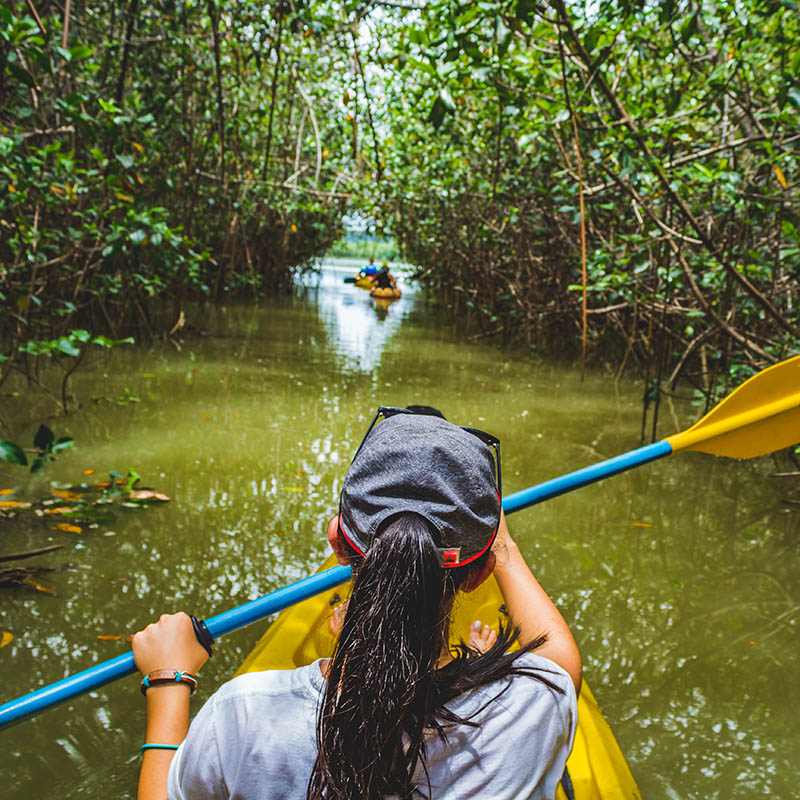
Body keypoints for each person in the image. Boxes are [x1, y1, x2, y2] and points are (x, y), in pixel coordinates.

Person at [132, 409, 581, 800]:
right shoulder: (531, 707)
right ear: (480, 571)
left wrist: (169, 681)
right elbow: (558, 657)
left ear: (339, 541)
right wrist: (500, 542)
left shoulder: (246, 713)